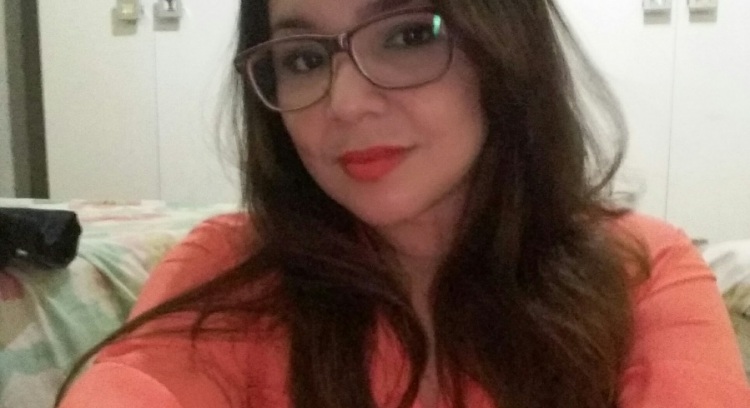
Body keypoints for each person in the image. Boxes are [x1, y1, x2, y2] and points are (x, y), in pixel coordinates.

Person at [57, 0, 750, 407]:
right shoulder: (228, 269)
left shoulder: (641, 270)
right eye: (303, 58)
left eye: (409, 35)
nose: (345, 103)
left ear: (506, 45)